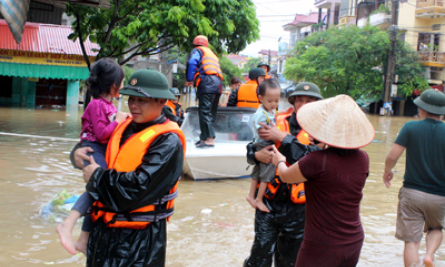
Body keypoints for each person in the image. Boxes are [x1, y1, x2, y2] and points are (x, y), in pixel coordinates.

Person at [70, 69, 185, 266]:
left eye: (142, 100)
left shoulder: (168, 142)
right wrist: (76, 155)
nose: (134, 105)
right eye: (131, 98)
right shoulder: (123, 126)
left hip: (138, 243)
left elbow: (137, 189)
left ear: (161, 102)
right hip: (102, 234)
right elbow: (95, 144)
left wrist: (96, 177)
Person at [273, 94, 374, 267]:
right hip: (354, 241)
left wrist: (279, 160)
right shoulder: (363, 158)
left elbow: (286, 176)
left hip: (322, 246)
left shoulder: (317, 161)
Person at [244, 82, 323, 267]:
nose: (303, 105)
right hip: (269, 202)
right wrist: (255, 155)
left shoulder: (322, 133)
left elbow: (313, 161)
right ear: (293, 102)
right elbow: (251, 148)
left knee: (289, 262)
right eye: (300, 100)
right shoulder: (275, 120)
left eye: (309, 101)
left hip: (300, 208)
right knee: (259, 258)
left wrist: (282, 138)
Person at [56, 58, 129, 255]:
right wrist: (118, 121)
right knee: (99, 186)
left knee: (99, 191)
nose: (123, 86)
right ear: (114, 85)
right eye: (122, 82)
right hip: (93, 147)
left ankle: (83, 238)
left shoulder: (109, 105)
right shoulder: (96, 105)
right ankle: (68, 224)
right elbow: (102, 133)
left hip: (102, 149)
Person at [384, 89, 445, 267]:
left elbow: (392, 157)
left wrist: (388, 171)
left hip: (412, 193)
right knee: (436, 228)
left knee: (411, 240)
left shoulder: (410, 127)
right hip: (440, 195)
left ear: (422, 110)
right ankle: (429, 256)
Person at [246, 79, 281, 213]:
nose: (274, 104)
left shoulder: (267, 111)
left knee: (257, 172)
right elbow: (263, 132)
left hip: (259, 144)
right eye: (270, 101)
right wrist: (279, 135)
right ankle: (258, 199)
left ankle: (250, 195)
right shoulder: (261, 115)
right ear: (260, 98)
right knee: (268, 171)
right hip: (264, 144)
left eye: (277, 101)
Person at [186, 35, 223, 148]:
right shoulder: (212, 53)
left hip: (207, 82)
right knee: (211, 112)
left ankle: (209, 139)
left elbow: (192, 62)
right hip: (218, 83)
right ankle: (204, 138)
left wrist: (189, 79)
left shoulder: (197, 50)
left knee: (205, 111)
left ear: (195, 44)